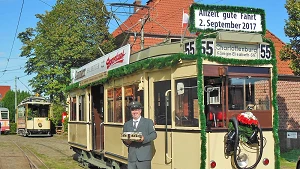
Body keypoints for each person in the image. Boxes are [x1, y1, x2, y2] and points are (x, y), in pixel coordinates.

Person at [122, 101, 157, 169]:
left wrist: (144, 139)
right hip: (132, 157)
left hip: (144, 157)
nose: (135, 112)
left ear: (140, 111)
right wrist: (127, 142)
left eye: (137, 110)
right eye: (133, 110)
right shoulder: (126, 124)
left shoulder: (148, 122)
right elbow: (124, 138)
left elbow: (154, 134)